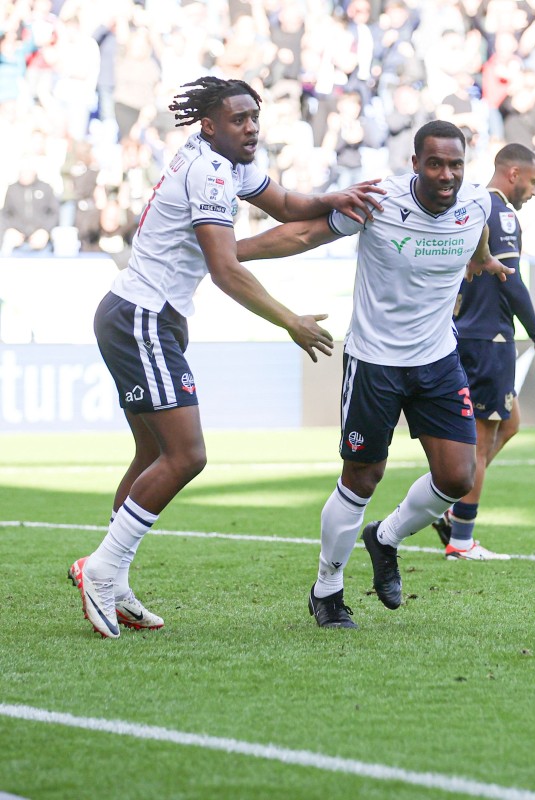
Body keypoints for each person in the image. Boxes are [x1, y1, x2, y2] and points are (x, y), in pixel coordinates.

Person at [68, 76, 383, 639]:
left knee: (153, 451)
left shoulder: (226, 164)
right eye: (239, 119)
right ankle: (102, 569)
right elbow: (225, 269)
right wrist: (291, 321)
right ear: (209, 125)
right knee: (187, 456)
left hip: (143, 314)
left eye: (254, 118)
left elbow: (287, 205)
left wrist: (330, 200)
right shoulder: (210, 171)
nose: (251, 128)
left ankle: (110, 579)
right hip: (142, 316)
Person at [236, 120, 513, 628]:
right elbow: (302, 234)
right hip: (375, 361)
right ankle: (327, 589)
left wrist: (483, 260)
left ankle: (384, 538)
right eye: (435, 164)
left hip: (437, 360)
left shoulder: (476, 204)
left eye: (455, 164)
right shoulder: (379, 203)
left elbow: (479, 233)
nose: (446, 175)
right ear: (415, 164)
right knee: (362, 477)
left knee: (458, 475)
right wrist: (227, 252)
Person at [431, 143, 535, 559]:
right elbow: (510, 282)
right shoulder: (499, 212)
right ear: (513, 173)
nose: (534, 191)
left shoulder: (469, 205)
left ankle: (448, 508)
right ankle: (461, 539)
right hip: (488, 338)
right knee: (480, 446)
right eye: (533, 181)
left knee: (511, 422)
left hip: (469, 333)